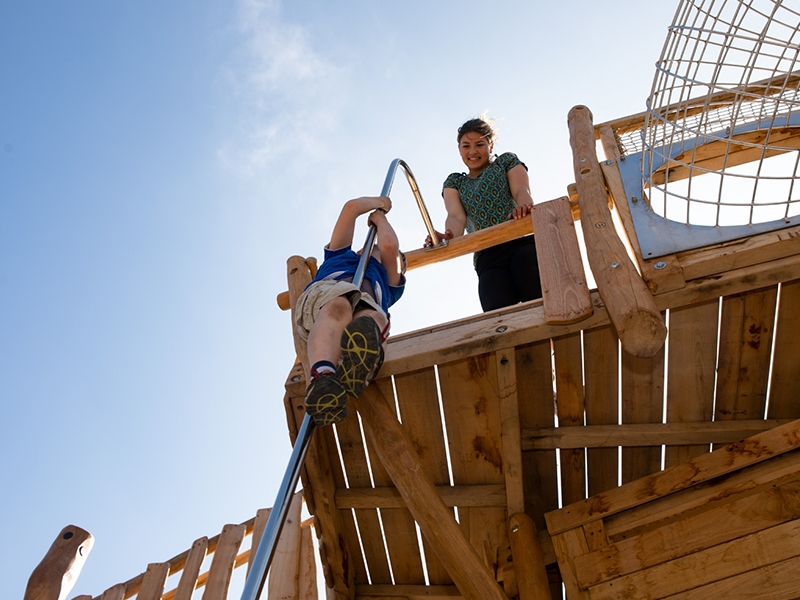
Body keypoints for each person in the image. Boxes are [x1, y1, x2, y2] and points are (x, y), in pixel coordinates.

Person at [295, 196, 406, 427]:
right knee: (341, 303)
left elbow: (389, 246)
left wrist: (381, 220)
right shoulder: (339, 256)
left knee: (373, 317)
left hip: (361, 309)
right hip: (326, 299)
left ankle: (357, 363)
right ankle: (322, 376)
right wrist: (380, 203)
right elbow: (351, 208)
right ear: (362, 249)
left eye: (399, 262)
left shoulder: (388, 285)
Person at [426, 117, 542, 312]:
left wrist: (524, 205)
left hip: (520, 240)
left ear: (491, 145)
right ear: (459, 149)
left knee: (538, 301)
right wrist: (448, 235)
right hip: (487, 253)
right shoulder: (455, 182)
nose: (472, 151)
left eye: (479, 144)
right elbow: (456, 216)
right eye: (466, 146)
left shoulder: (505, 162)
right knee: (498, 313)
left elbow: (521, 190)